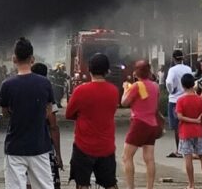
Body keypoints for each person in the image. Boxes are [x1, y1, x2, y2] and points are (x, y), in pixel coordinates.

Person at [0, 37, 55, 189]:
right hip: (39, 146)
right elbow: (48, 111)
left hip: (15, 148)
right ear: (32, 59)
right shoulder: (45, 83)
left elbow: (5, 114)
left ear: (14, 59)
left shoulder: (7, 85)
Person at [66, 53, 119, 189]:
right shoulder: (114, 91)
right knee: (110, 184)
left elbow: (69, 114)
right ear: (107, 71)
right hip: (106, 147)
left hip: (83, 146)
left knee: (82, 184)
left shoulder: (80, 91)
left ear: (89, 69)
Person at [121, 60, 159, 189]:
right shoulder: (155, 86)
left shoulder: (136, 86)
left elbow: (124, 102)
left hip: (139, 123)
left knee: (127, 156)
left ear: (136, 73)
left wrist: (126, 88)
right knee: (149, 158)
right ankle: (150, 187)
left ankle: (130, 187)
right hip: (152, 124)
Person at [176, 73, 202, 189]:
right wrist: (200, 127)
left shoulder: (180, 100)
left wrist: (192, 121)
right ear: (193, 84)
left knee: (188, 158)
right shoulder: (199, 100)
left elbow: (180, 117)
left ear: (182, 85)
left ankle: (191, 184)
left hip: (185, 132)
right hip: (199, 132)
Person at [32, 62, 63, 189]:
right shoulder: (46, 94)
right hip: (43, 147)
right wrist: (58, 155)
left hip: (22, 147)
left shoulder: (21, 92)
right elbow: (53, 126)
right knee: (47, 182)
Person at [166, 49, 193, 158]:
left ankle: (179, 150)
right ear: (183, 58)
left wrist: (171, 90)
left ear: (173, 59)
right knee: (186, 124)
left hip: (175, 100)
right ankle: (188, 148)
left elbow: (168, 82)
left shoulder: (172, 70)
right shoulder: (188, 69)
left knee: (177, 126)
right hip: (187, 98)